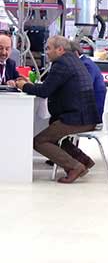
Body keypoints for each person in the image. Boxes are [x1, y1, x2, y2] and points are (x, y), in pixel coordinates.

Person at [11, 36, 100, 183]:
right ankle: (83, 160)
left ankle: (74, 167)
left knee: (40, 141)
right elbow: (50, 86)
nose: (46, 52)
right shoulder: (72, 61)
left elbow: (44, 91)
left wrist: (23, 86)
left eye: (48, 48)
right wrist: (30, 85)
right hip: (86, 116)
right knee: (54, 131)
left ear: (60, 49)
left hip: (77, 119)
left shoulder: (61, 64)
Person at [70, 41, 107, 118]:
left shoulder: (85, 65)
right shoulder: (86, 62)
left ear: (75, 53)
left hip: (94, 111)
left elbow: (85, 86)